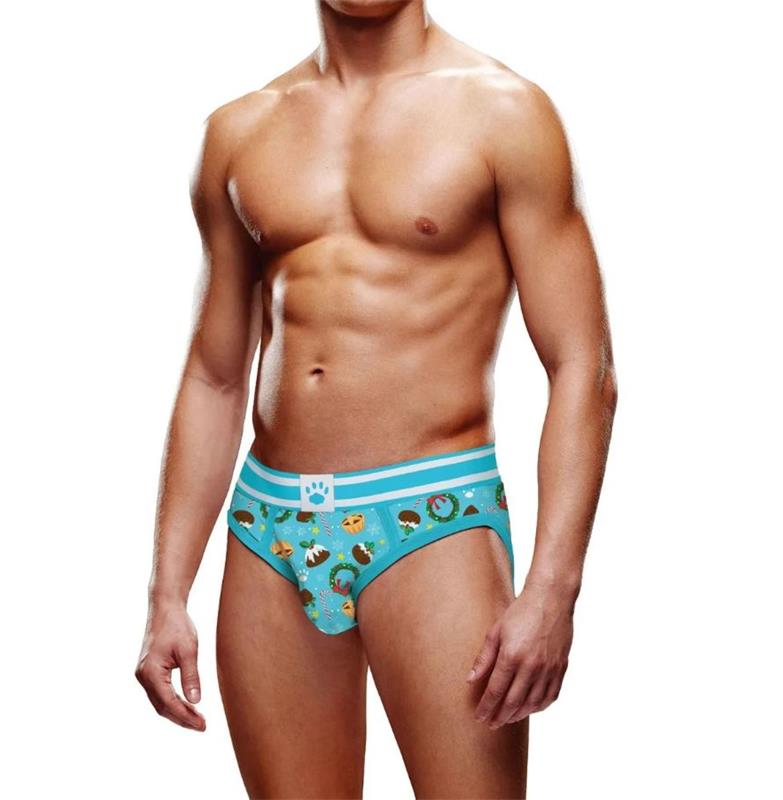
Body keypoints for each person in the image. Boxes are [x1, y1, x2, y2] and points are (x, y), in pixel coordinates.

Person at [135, 1, 617, 796]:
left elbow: (582, 367)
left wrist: (553, 589)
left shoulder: (504, 113)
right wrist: (166, 593)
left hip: (432, 516)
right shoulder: (241, 130)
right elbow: (214, 374)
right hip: (268, 526)